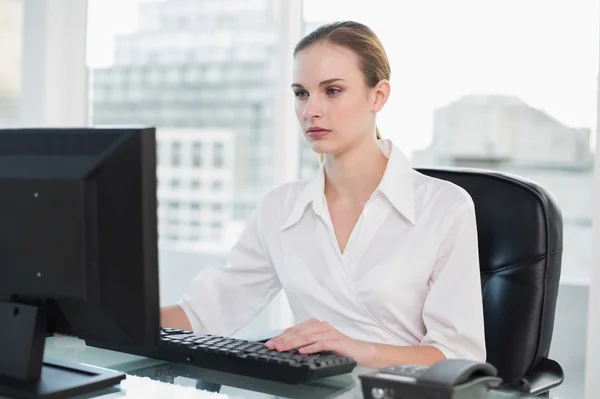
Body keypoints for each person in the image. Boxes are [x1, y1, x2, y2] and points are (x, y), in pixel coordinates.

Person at [161, 21, 486, 368]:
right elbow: (204, 314)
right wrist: (108, 315)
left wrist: (356, 349)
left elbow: (458, 357)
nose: (310, 110)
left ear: (378, 96)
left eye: (332, 91)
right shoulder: (279, 209)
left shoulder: (444, 207)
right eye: (301, 93)